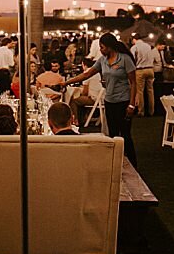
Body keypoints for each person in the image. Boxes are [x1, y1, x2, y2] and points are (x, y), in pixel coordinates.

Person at [63, 33, 138, 167]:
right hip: (109, 101)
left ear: (110, 47)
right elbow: (87, 74)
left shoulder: (125, 59)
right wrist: (67, 82)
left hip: (123, 101)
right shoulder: (102, 60)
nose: (101, 50)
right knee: (113, 134)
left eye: (102, 47)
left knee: (125, 134)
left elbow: (133, 82)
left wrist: (132, 104)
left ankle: (132, 163)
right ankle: (116, 163)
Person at [130, 35, 156, 117]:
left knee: (140, 91)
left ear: (134, 39)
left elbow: (132, 59)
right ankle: (151, 111)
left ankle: (141, 111)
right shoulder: (148, 46)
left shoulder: (135, 47)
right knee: (150, 91)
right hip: (150, 69)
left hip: (140, 70)